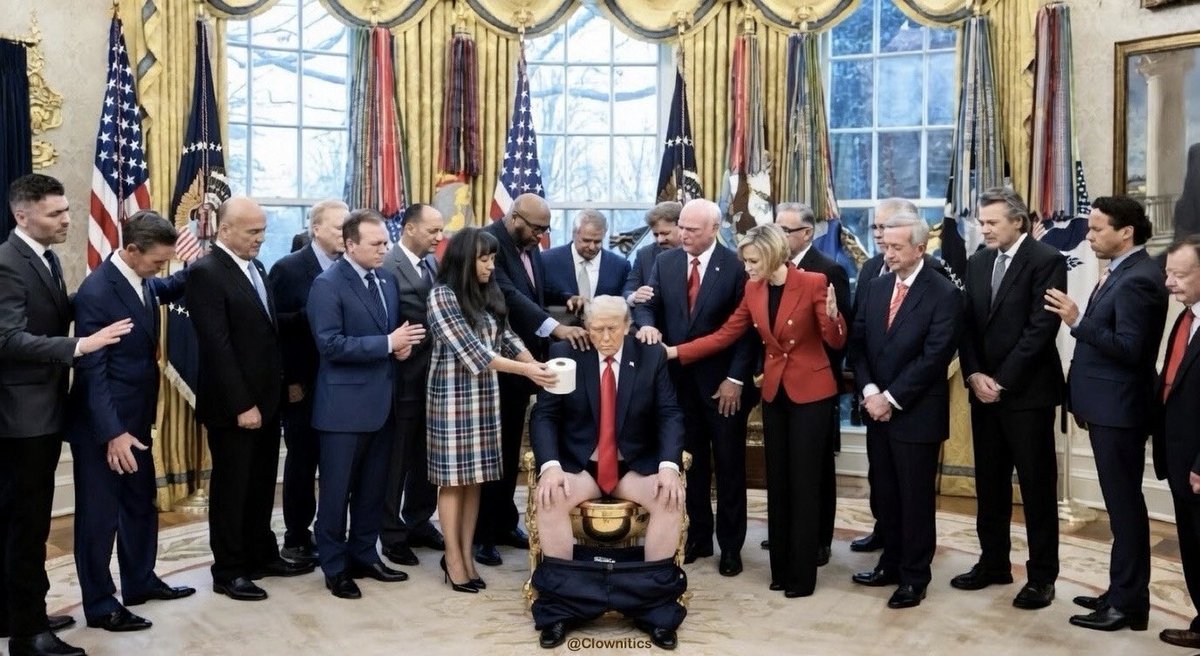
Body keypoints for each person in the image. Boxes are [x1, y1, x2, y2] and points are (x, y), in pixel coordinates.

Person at [666, 223, 844, 597]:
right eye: (745, 261)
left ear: (773, 254)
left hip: (812, 395)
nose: (746, 268)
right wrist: (676, 352)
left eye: (752, 261)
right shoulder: (753, 289)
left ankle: (802, 576)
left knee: (803, 484)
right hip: (775, 394)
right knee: (778, 483)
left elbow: (835, 341)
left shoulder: (812, 282)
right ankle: (781, 569)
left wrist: (833, 316)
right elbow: (726, 335)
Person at [0, 173, 131, 656]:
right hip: (21, 419)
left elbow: (51, 312)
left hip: (40, 412)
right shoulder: (7, 263)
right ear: (22, 215)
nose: (68, 220)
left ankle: (15, 612)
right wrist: (80, 345)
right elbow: (6, 339)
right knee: (26, 525)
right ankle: (29, 635)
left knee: (21, 522)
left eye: (67, 210)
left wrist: (103, 296)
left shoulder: (44, 258)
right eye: (55, 213)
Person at [530, 295, 686, 649]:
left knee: (670, 498)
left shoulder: (650, 355)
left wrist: (668, 467)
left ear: (628, 326)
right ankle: (561, 608)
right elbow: (545, 415)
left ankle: (655, 609)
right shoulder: (566, 353)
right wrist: (550, 467)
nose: (604, 337)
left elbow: (669, 413)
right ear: (586, 327)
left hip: (633, 463)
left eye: (612, 328)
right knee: (550, 498)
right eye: (596, 329)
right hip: (582, 462)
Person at [1045, 195, 1168, 632]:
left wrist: (1077, 320)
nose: (1090, 236)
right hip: (1105, 406)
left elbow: (1131, 350)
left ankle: (1128, 604)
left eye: (1097, 229)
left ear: (1126, 232)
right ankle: (1120, 593)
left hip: (1120, 410)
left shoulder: (1139, 279)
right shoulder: (1122, 271)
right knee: (1120, 507)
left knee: (1124, 508)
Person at [68, 212, 193, 633]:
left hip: (136, 421)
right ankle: (101, 605)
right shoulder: (98, 292)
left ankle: (140, 581)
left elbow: (166, 287)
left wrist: (208, 260)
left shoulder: (141, 280)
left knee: (140, 502)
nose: (162, 267)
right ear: (133, 250)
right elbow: (93, 371)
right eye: (157, 261)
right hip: (104, 428)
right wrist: (114, 433)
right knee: (100, 517)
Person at [187, 196, 314, 603]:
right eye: (253, 231)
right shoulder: (206, 272)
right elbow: (217, 346)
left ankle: (261, 555)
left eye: (263, 230)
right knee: (233, 490)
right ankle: (229, 570)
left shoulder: (255, 267)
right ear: (224, 230)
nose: (261, 238)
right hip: (234, 407)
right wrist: (242, 404)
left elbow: (267, 334)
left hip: (267, 400)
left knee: (260, 485)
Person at [952, 188, 1066, 611]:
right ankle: (993, 563)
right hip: (983, 393)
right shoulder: (979, 260)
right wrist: (974, 374)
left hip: (1027, 395)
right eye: (981, 222)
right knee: (990, 485)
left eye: (992, 222)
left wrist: (1000, 381)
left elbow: (1040, 330)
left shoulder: (1046, 260)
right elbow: (966, 326)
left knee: (1036, 489)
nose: (983, 229)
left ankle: (1042, 577)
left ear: (1017, 221)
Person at [426, 226, 557, 591]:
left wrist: (536, 364)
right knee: (454, 483)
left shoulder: (487, 291)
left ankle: (466, 555)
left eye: (492, 259)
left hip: (485, 399)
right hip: (452, 402)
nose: (490, 266)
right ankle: (453, 558)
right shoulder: (442, 295)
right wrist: (527, 371)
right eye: (483, 259)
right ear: (464, 260)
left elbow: (508, 336)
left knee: (476, 482)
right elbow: (474, 352)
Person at [634, 198, 758, 577]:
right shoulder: (666, 262)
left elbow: (746, 332)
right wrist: (646, 322)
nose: (682, 235)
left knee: (730, 466)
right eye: (682, 227)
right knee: (691, 465)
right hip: (677, 384)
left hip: (723, 387)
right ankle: (698, 537)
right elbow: (648, 304)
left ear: (714, 229)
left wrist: (736, 379)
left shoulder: (736, 266)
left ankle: (731, 546)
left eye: (692, 229)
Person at [307, 209, 425, 599]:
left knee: (374, 490)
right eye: (376, 244)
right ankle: (335, 567)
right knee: (336, 494)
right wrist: (388, 343)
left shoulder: (386, 280)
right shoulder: (327, 284)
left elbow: (389, 337)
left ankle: (364, 555)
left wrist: (400, 349)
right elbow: (330, 344)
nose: (384, 250)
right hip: (342, 411)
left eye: (385, 242)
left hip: (383, 406)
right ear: (350, 244)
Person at [847, 212, 962, 609]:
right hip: (875, 409)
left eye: (897, 247)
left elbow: (935, 357)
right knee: (886, 494)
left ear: (920, 248)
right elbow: (858, 344)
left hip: (915, 414)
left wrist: (890, 398)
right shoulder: (876, 286)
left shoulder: (944, 293)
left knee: (914, 501)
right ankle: (889, 564)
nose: (888, 253)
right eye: (885, 246)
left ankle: (914, 577)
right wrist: (869, 391)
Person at [477, 195, 588, 566]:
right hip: (500, 365)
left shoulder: (528, 245)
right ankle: (482, 534)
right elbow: (508, 294)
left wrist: (566, 298)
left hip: (526, 364)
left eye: (545, 229)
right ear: (514, 218)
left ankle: (504, 522)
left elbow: (532, 291)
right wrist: (555, 326)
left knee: (510, 450)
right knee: (494, 453)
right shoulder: (488, 242)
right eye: (537, 228)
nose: (542, 236)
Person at [267, 199, 348, 565]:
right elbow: (273, 327)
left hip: (342, 384)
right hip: (302, 383)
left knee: (336, 464)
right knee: (302, 463)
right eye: (338, 228)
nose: (345, 234)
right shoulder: (288, 268)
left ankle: (329, 532)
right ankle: (297, 536)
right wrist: (289, 381)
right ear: (316, 229)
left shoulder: (350, 266)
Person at [774, 202, 852, 565]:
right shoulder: (771, 269)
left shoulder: (828, 269)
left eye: (785, 230)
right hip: (779, 386)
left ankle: (819, 538)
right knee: (787, 467)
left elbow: (839, 335)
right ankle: (791, 534)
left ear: (806, 234)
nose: (778, 235)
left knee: (817, 467)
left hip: (816, 386)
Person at [379, 203, 447, 567]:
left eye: (440, 230)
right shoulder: (387, 266)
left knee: (425, 458)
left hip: (434, 382)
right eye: (433, 231)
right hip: (402, 381)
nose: (439, 237)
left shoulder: (433, 264)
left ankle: (419, 521)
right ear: (409, 229)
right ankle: (391, 533)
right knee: (396, 462)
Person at [1153, 236, 1200, 649]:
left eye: (1179, 274)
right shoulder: (1185, 318)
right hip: (1179, 456)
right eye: (1168, 273)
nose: (1169, 282)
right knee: (1193, 546)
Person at [542, 210, 631, 313]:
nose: (592, 247)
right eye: (586, 240)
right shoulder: (547, 261)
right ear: (574, 234)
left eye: (597, 241)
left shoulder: (620, 266)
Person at [624, 201, 682, 306]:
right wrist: (635, 296)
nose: (660, 240)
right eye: (656, 234)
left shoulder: (696, 252)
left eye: (665, 233)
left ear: (681, 227)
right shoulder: (644, 255)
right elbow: (628, 291)